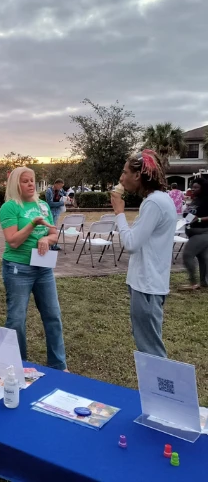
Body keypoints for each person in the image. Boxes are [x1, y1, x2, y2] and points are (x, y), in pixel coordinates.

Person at [111, 150, 178, 357]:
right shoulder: (159, 200)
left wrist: (119, 213)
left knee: (151, 350)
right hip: (149, 283)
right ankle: (155, 389)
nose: (121, 178)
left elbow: (131, 243)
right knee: (147, 343)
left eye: (124, 173)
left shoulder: (154, 203)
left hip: (147, 285)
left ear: (138, 175)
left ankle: (162, 389)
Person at [0, 167, 66, 370]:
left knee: (53, 315)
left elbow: (54, 234)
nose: (30, 184)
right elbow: (13, 242)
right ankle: (18, 365)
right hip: (18, 269)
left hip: (43, 268)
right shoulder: (10, 208)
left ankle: (58, 365)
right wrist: (32, 225)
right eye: (24, 181)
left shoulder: (43, 206)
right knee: (17, 319)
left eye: (32, 181)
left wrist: (46, 238)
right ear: (15, 185)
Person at [177, 174, 208, 291]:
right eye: (192, 187)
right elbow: (190, 214)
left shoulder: (206, 200)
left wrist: (199, 219)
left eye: (197, 187)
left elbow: (199, 217)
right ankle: (204, 283)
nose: (193, 189)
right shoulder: (196, 200)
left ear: (203, 188)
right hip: (193, 232)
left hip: (203, 233)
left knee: (188, 255)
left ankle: (193, 283)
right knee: (203, 258)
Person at [44, 179, 66, 249]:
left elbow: (64, 195)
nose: (60, 188)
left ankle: (53, 244)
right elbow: (49, 204)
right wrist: (62, 203)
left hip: (57, 211)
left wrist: (66, 197)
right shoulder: (49, 191)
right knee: (50, 228)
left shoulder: (60, 191)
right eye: (60, 186)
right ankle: (50, 244)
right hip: (50, 211)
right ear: (56, 184)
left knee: (54, 228)